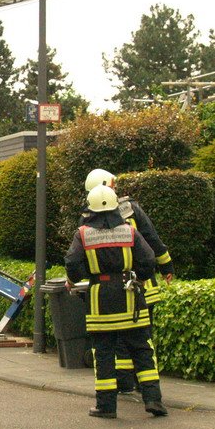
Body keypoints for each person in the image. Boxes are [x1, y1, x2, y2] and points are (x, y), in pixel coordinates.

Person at [66, 184, 167, 419]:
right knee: (142, 348)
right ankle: (153, 399)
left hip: (100, 298)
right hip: (129, 295)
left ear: (90, 210)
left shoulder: (82, 233)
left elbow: (72, 262)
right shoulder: (129, 231)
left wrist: (76, 278)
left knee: (103, 353)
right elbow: (149, 258)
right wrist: (139, 279)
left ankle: (106, 406)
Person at [84, 168, 174, 393]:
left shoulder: (88, 219)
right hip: (140, 286)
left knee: (117, 338)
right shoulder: (131, 209)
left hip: (106, 290)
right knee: (141, 339)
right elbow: (151, 239)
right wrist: (166, 267)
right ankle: (146, 387)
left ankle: (124, 381)